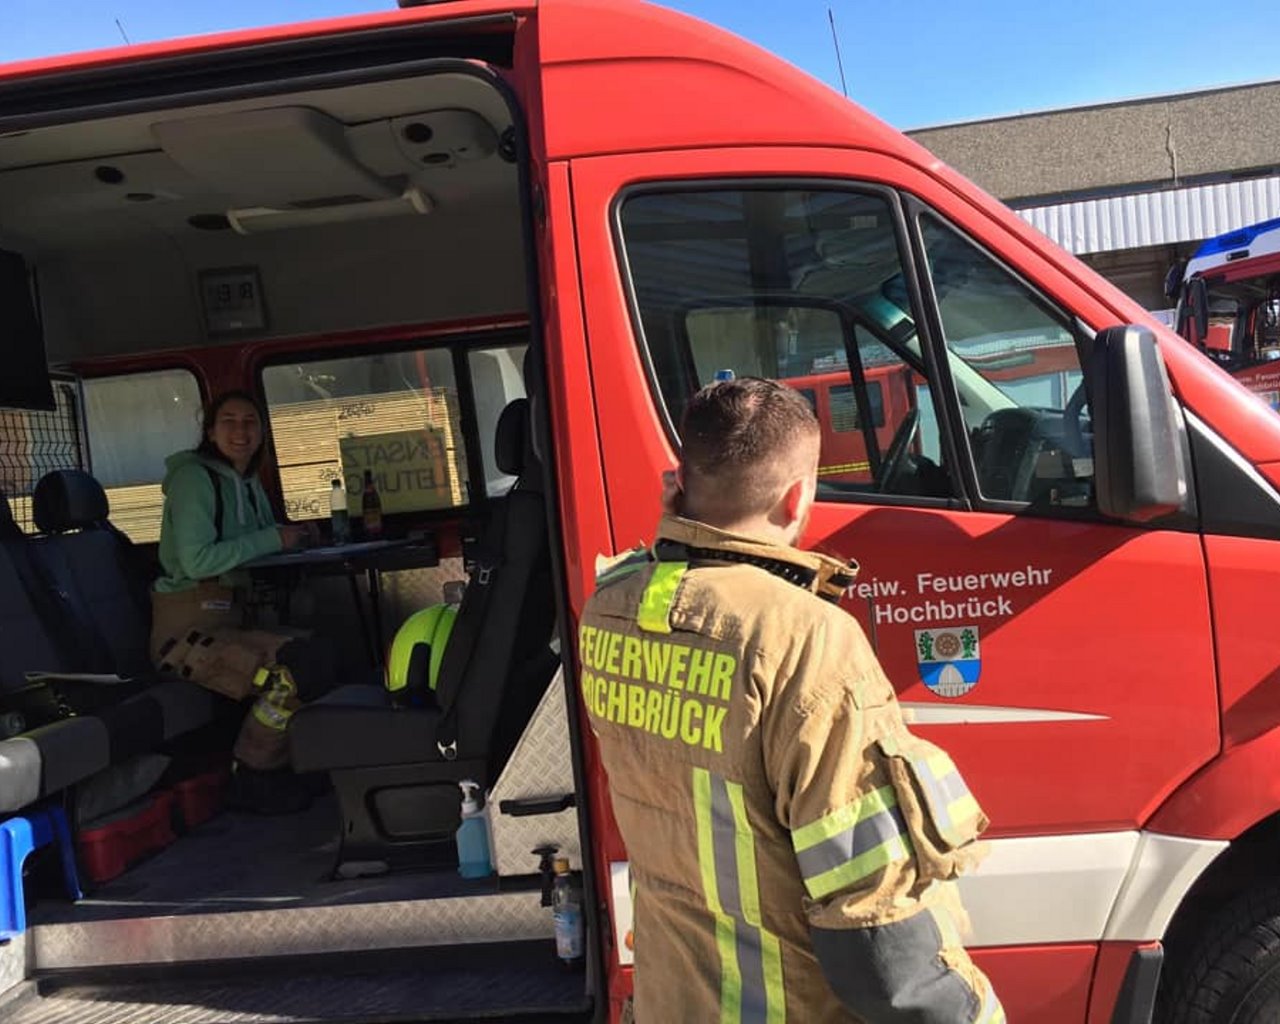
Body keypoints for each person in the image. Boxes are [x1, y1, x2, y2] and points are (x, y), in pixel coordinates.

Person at [581, 378, 1002, 1023]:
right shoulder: (804, 637)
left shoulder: (612, 608)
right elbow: (875, 924)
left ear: (681, 480)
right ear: (799, 495)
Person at [150, 390, 338, 815]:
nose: (241, 431)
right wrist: (273, 538)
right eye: (229, 421)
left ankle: (290, 766)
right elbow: (197, 561)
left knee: (322, 652)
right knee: (295, 670)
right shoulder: (194, 479)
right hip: (185, 636)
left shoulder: (246, 481)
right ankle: (251, 774)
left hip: (229, 621)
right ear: (210, 431)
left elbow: (257, 543)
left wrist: (295, 536)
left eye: (250, 421)